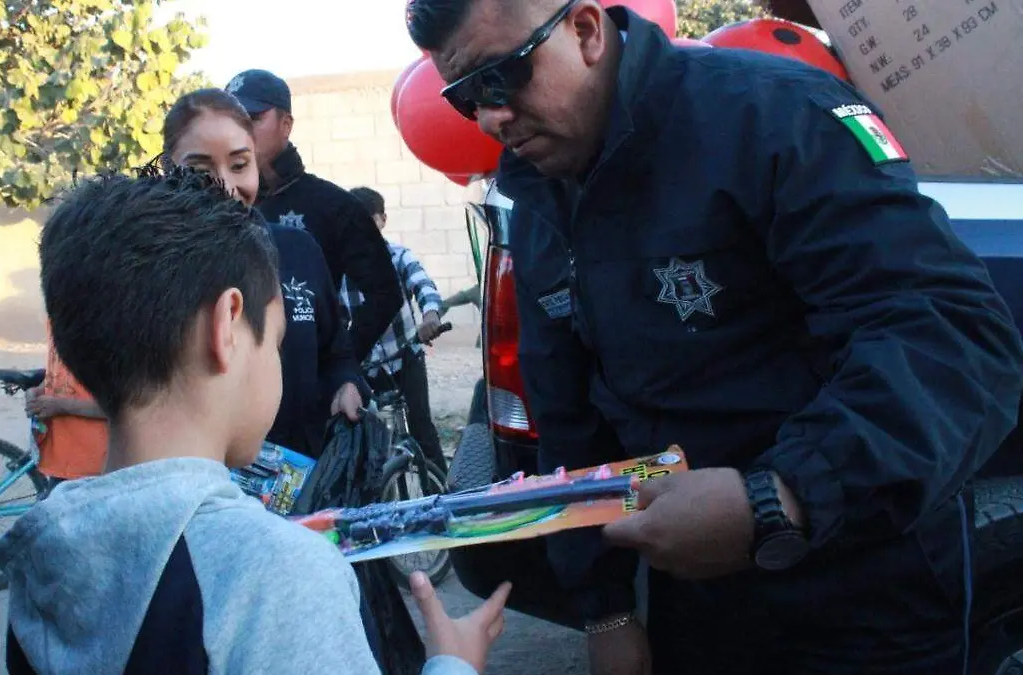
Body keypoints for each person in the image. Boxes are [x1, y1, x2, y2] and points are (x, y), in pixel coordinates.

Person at [405, 2, 1023, 675]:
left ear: (583, 31)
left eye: (500, 78)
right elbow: (568, 419)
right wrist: (606, 608)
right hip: (697, 604)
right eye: (466, 98)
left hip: (866, 593)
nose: (491, 117)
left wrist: (781, 497)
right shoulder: (540, 202)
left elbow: (957, 339)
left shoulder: (773, 118)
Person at [0, 170, 512, 675]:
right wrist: (452, 663)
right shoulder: (278, 572)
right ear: (227, 328)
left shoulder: (45, 546)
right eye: (277, 340)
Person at [161, 88, 364, 458]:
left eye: (239, 165)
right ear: (166, 169)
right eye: (200, 170)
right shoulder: (147, 269)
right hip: (202, 492)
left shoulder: (298, 251)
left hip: (301, 483)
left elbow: (336, 352)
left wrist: (345, 385)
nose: (224, 186)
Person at [225, 69, 404, 363]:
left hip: (306, 389)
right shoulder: (218, 204)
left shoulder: (333, 205)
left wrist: (339, 365)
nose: (241, 132)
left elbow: (384, 295)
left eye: (253, 119)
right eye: (234, 121)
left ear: (286, 124)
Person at [347, 185, 448, 472]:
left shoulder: (399, 256)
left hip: (406, 356)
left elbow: (424, 286)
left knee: (422, 430)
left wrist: (431, 317)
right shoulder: (339, 268)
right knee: (369, 443)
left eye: (370, 220)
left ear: (383, 220)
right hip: (366, 366)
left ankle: (443, 494)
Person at [24, 326, 108, 487]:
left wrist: (62, 406)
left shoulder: (105, 329)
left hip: (93, 468)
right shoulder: (59, 320)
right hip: (62, 462)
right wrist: (39, 390)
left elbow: (121, 407)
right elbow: (58, 371)